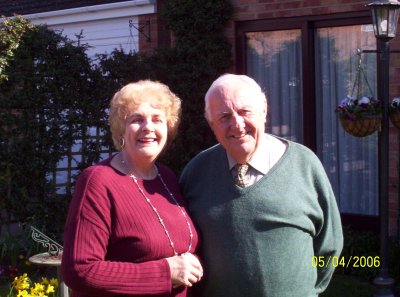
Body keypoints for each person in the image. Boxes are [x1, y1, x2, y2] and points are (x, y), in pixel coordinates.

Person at [179, 74, 343, 297]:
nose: (237, 124)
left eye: (245, 112)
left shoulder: (304, 164)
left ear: (264, 110)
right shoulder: (196, 172)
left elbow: (329, 245)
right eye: (224, 116)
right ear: (211, 124)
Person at [62, 80, 203, 297]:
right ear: (121, 129)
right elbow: (80, 270)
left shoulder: (167, 178)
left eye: (158, 120)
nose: (148, 127)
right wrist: (165, 272)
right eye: (137, 120)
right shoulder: (98, 181)